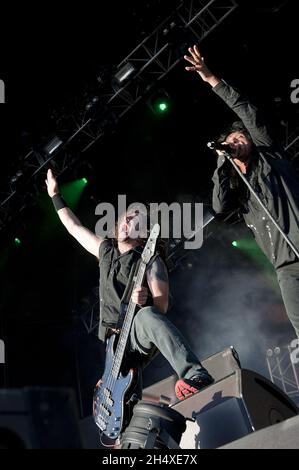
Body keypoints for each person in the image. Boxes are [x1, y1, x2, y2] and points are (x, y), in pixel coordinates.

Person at [45, 169, 213, 402]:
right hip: (112, 346)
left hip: (136, 332)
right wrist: (55, 195)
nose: (128, 219)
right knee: (121, 402)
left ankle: (195, 374)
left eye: (136, 219)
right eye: (126, 216)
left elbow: (161, 307)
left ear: (143, 234)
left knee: (148, 316)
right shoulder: (105, 250)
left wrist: (146, 300)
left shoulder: (151, 261)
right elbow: (74, 228)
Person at [184, 45, 299, 339]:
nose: (236, 141)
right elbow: (220, 207)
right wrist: (221, 164)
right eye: (231, 141)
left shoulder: (270, 156)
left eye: (239, 137)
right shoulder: (243, 194)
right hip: (286, 270)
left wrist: (211, 79)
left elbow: (246, 112)